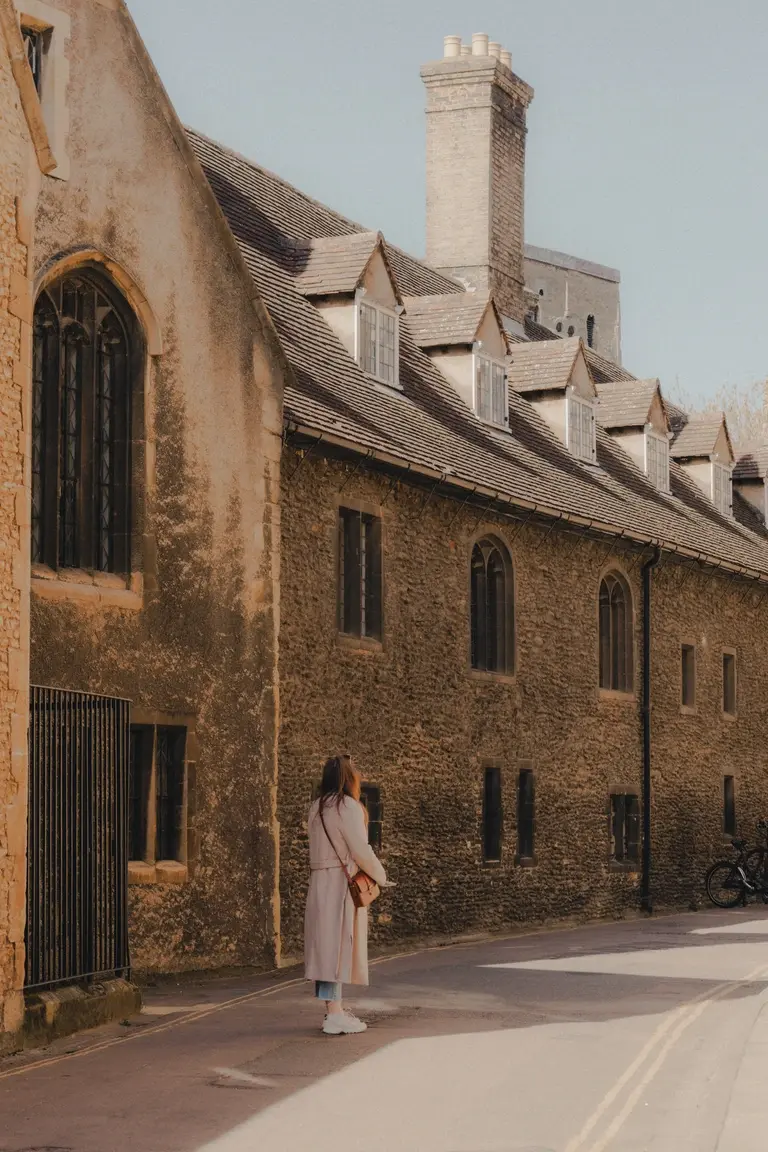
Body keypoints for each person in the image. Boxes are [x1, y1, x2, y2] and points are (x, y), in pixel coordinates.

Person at [304, 754, 387, 1035]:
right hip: (339, 883)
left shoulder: (316, 807)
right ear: (349, 779)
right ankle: (335, 1014)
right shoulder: (347, 806)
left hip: (320, 882)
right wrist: (380, 875)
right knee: (337, 948)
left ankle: (333, 1010)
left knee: (326, 949)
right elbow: (360, 850)